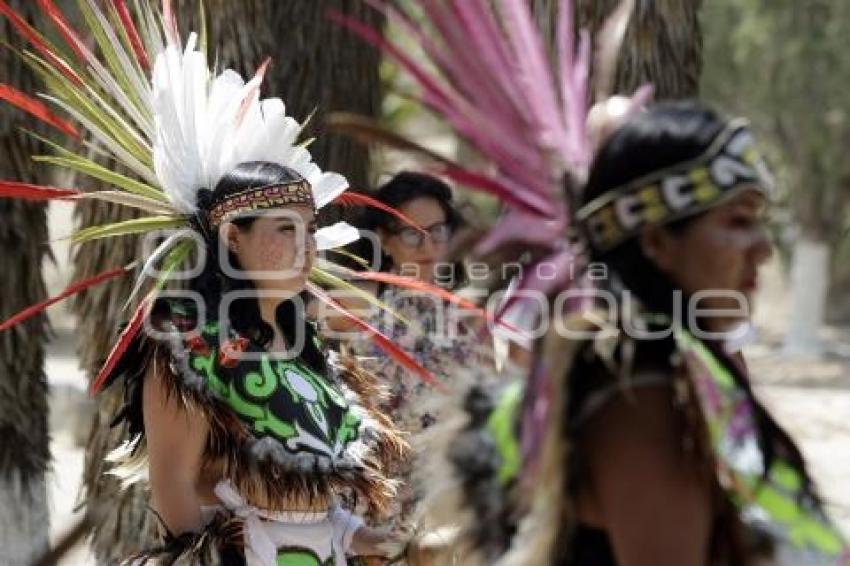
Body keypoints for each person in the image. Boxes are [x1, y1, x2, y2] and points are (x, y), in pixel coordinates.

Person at [0, 2, 439, 563]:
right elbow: (176, 491)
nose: (306, 248)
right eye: (285, 231)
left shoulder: (311, 348)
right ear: (233, 237)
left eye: (310, 231)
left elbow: (318, 508)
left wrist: (382, 543)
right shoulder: (188, 349)